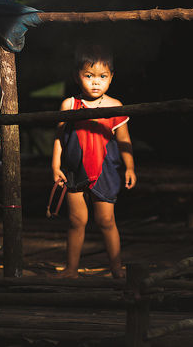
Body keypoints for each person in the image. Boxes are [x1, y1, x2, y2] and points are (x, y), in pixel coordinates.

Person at [51, 44, 136, 279]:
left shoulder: (115, 106)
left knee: (106, 220)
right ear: (77, 76)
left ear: (111, 78)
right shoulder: (69, 105)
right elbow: (59, 137)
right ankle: (71, 269)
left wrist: (130, 167)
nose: (95, 82)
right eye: (89, 76)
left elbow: (124, 140)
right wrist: (55, 165)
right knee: (77, 220)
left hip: (106, 170)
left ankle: (117, 268)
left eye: (102, 76)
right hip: (74, 170)